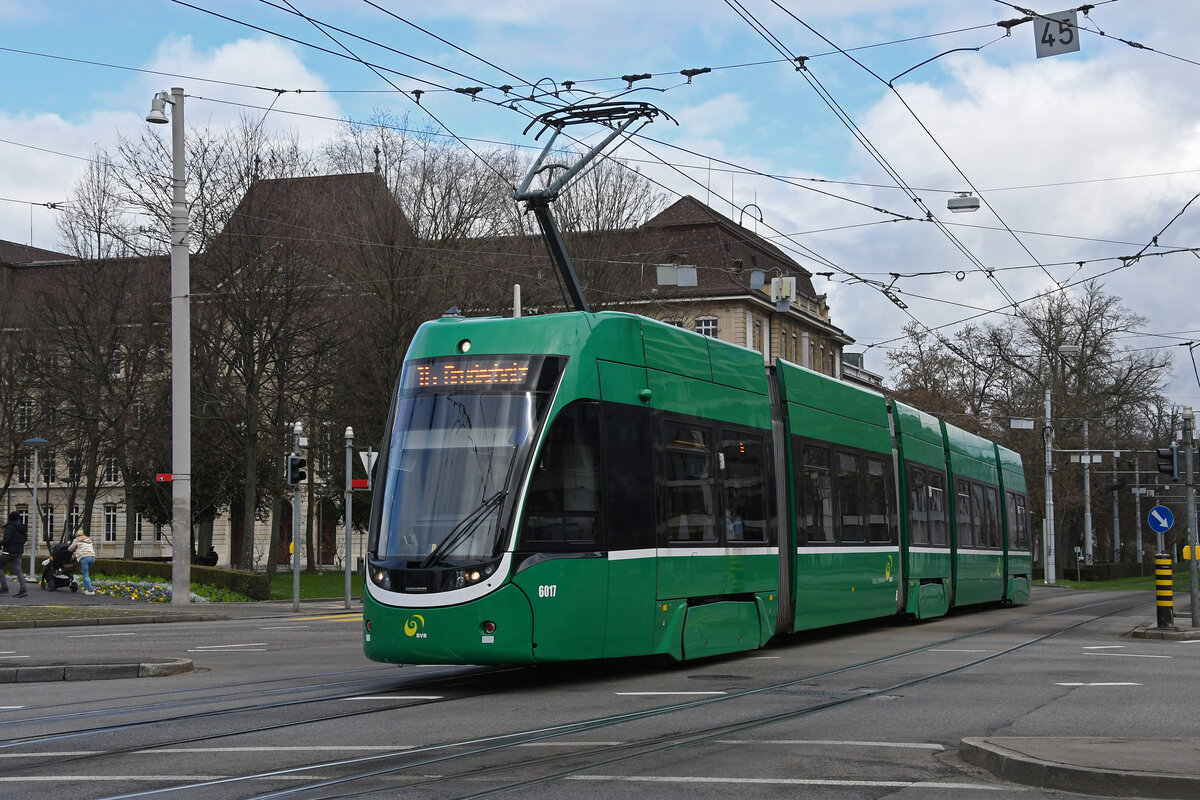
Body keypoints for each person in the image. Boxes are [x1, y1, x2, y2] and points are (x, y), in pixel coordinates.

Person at [0, 511, 29, 598]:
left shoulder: (9, 527)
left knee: (0, 567)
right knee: (18, 571)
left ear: (10, 518)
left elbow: (6, 540)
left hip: (8, 552)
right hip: (18, 552)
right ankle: (23, 589)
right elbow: (24, 539)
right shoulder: (22, 528)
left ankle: (4, 587)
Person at [68, 530, 97, 595]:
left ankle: (91, 590)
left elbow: (70, 548)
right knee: (86, 574)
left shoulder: (76, 540)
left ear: (77, 535)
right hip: (92, 557)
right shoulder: (89, 540)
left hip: (84, 557)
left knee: (85, 574)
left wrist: (73, 549)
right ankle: (86, 589)